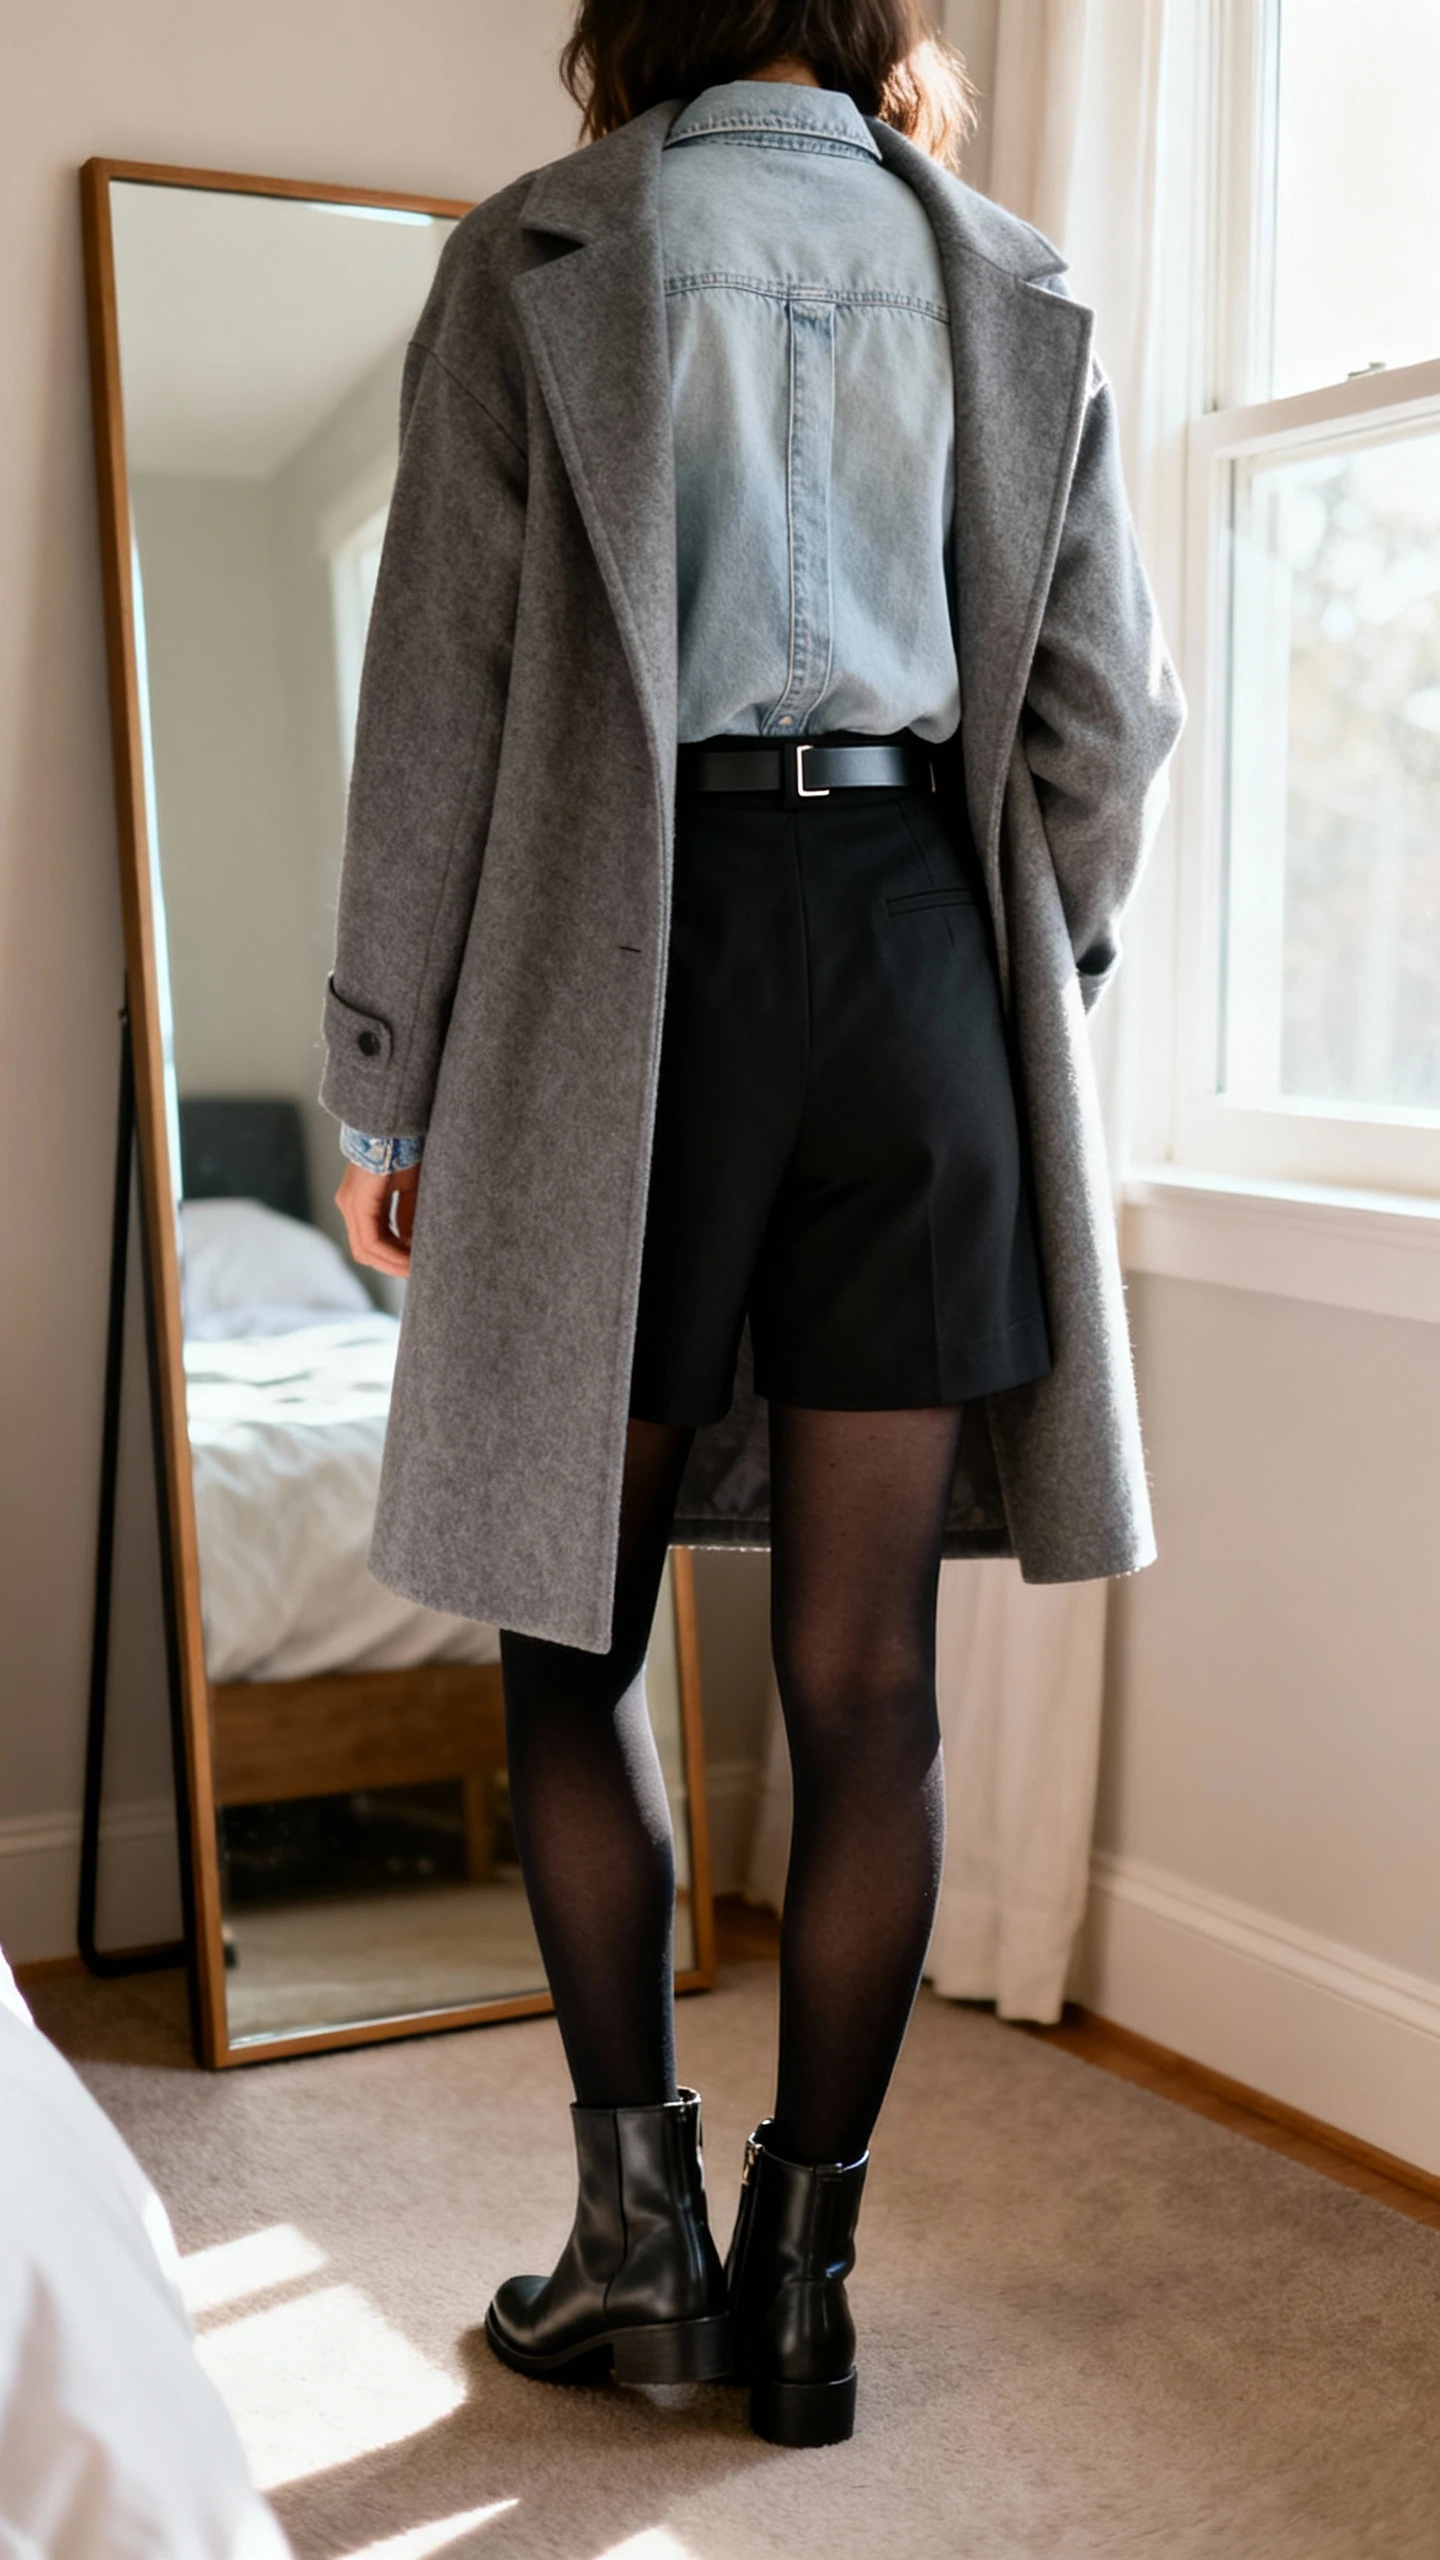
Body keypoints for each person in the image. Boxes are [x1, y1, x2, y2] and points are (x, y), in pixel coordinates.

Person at [323, 0, 1184, 2450]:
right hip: (917, 967)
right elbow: (1107, 726)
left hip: (643, 963)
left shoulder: (546, 253)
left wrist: (385, 1064)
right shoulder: (1012, 278)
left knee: (566, 1618)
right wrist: (1034, 969)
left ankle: (644, 2259)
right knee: (869, 1682)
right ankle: (805, 2279)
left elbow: (443, 700)